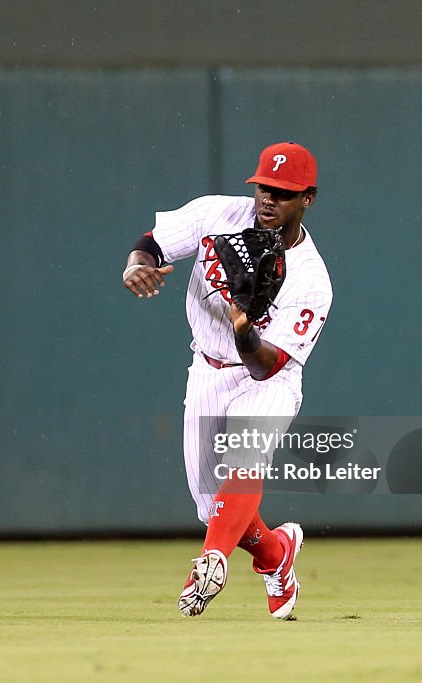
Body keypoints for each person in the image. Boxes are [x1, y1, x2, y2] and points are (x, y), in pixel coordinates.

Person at [122, 141, 332, 619]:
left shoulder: (312, 280)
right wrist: (137, 264)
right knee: (212, 508)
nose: (268, 199)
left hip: (267, 378)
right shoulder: (216, 215)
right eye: (264, 187)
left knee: (244, 454)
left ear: (307, 200)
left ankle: (211, 562)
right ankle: (277, 556)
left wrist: (243, 328)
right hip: (207, 368)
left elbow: (265, 364)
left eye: (283, 192)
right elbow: (153, 243)